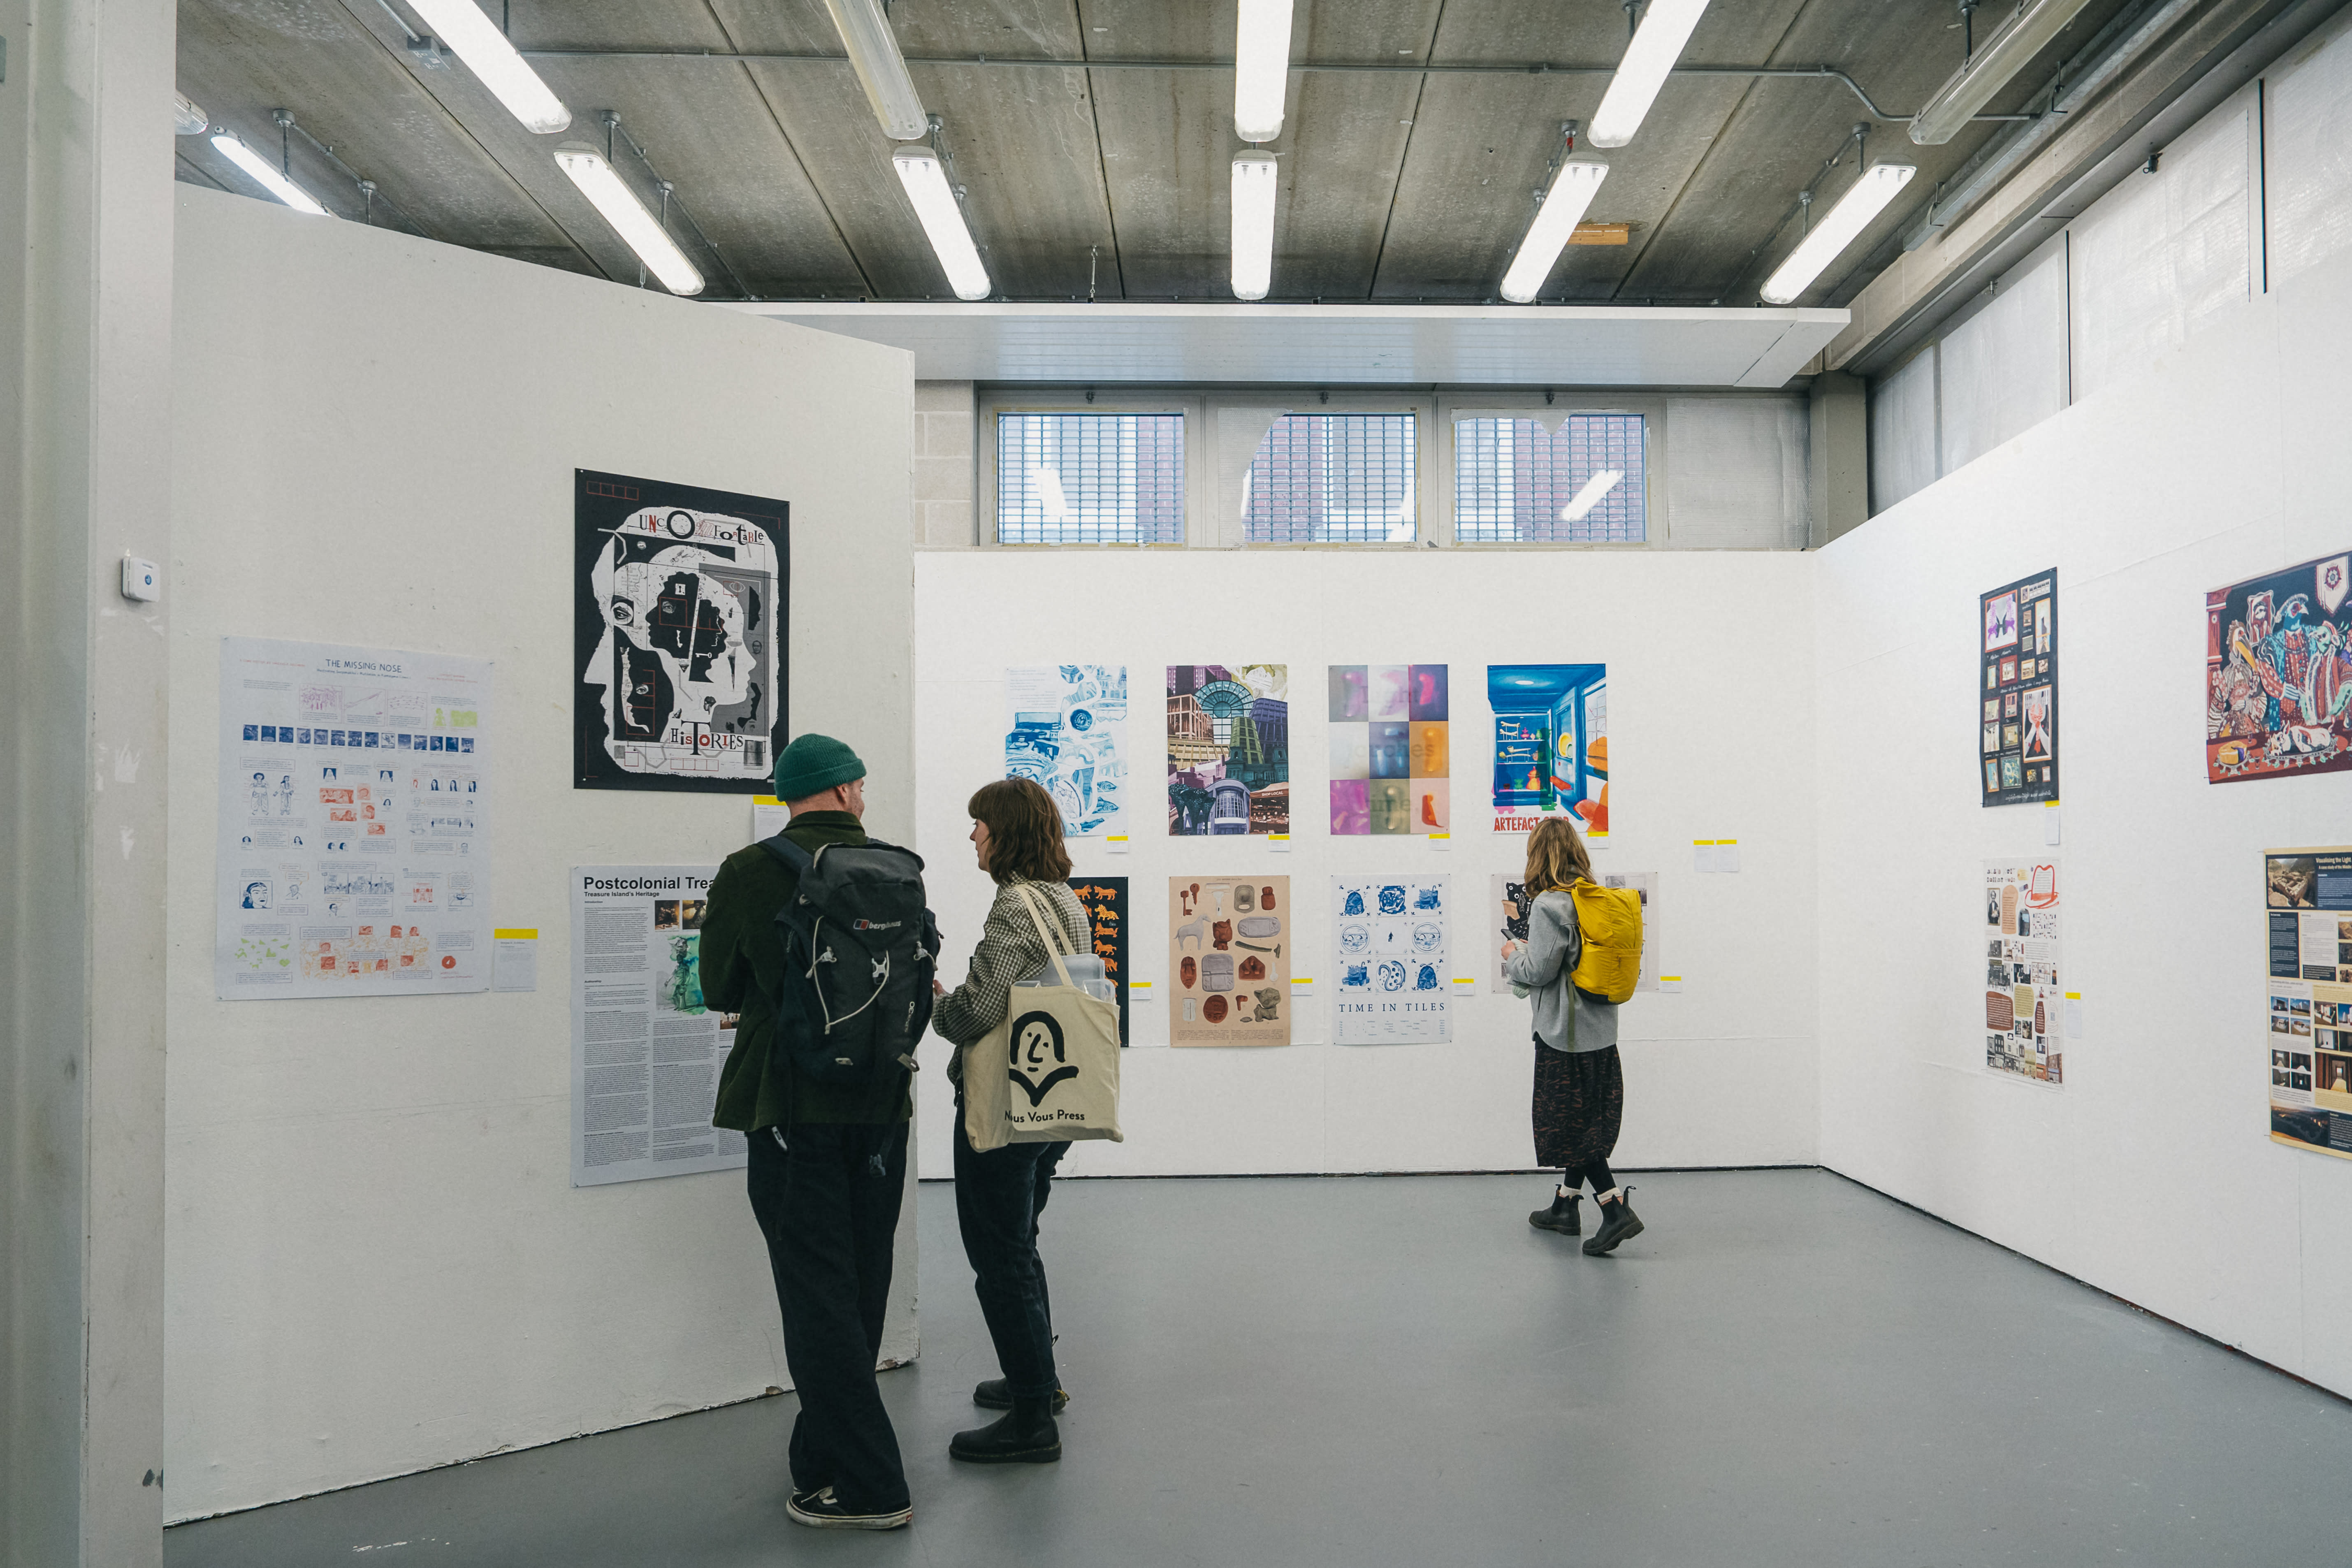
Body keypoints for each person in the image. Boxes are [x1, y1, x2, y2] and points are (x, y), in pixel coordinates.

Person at [703, 734, 915, 1531]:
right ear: (852, 789)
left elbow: (719, 983)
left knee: (814, 1295)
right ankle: (820, 1461)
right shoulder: (899, 867)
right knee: (859, 1288)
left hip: (789, 1107)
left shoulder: (749, 873)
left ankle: (872, 1484)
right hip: (882, 1107)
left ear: (786, 795)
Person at [930, 777, 1090, 1465]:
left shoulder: (1014, 907)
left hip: (1002, 1104)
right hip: (1048, 1098)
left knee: (999, 1256)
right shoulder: (1063, 898)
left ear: (1006, 832)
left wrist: (934, 1003)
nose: (972, 835)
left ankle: (1031, 1419)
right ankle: (1038, 1382)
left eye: (980, 824)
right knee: (1020, 1242)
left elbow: (975, 1012)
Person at [1502, 816, 1644, 1256]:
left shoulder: (1549, 905)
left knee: (1573, 1126)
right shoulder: (1593, 900)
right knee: (1586, 1120)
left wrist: (1511, 954)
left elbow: (1538, 970)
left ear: (1537, 857)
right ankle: (1564, 1206)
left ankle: (1614, 1208)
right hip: (1602, 1033)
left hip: (1564, 1035)